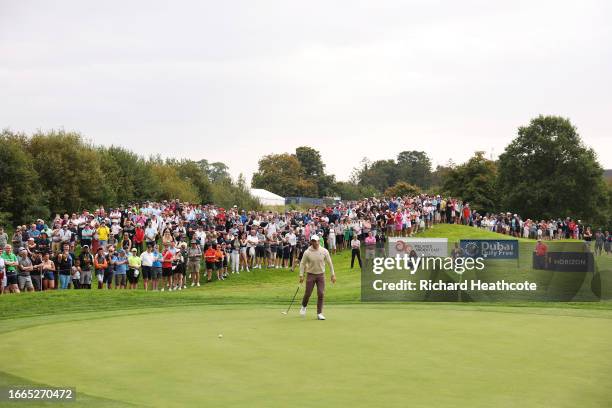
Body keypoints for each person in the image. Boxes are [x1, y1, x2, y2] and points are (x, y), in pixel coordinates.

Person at [298, 235, 336, 320]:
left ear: (319, 241)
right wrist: (301, 275)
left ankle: (319, 313)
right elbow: (302, 264)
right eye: (313, 241)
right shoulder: (307, 252)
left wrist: (332, 274)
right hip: (310, 274)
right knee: (308, 293)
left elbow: (330, 263)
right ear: (311, 242)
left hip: (321, 275)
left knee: (321, 293)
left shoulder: (324, 251)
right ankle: (304, 306)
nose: (315, 242)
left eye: (316, 241)